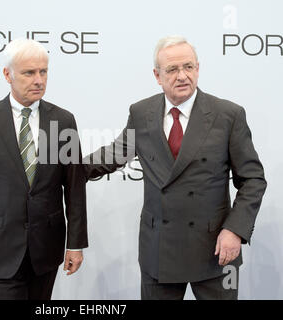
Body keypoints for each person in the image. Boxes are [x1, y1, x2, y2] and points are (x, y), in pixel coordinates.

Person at [84, 35, 266, 300]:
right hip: (159, 250)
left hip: (215, 250)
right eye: (172, 69)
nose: (182, 76)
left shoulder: (228, 115)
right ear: (157, 76)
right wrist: (61, 169)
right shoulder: (141, 112)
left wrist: (235, 229)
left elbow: (253, 180)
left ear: (198, 69)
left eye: (188, 67)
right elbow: (113, 155)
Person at [0, 38, 88, 300]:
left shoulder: (63, 120)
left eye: (43, 71)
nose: (38, 80)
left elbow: (74, 188)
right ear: (7, 74)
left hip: (45, 249)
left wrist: (75, 244)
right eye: (29, 72)